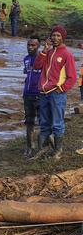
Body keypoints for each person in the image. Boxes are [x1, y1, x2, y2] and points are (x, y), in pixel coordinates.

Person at [31, 26, 76, 161]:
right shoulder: (48, 53)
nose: (55, 38)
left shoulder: (66, 54)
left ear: (62, 37)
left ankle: (57, 152)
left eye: (58, 35)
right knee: (44, 123)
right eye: (53, 35)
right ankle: (43, 150)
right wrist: (44, 50)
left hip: (57, 94)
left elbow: (72, 77)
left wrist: (61, 89)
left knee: (57, 123)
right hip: (44, 93)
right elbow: (37, 66)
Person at [23, 36, 42, 157]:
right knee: (29, 122)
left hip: (40, 95)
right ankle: (30, 146)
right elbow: (27, 73)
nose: (30, 47)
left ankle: (45, 147)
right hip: (27, 95)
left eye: (33, 45)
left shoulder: (43, 59)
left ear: (38, 46)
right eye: (29, 45)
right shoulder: (26, 59)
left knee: (43, 122)